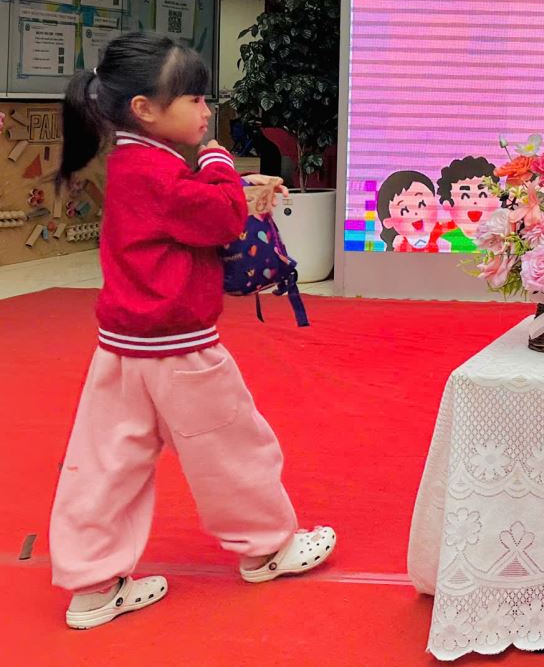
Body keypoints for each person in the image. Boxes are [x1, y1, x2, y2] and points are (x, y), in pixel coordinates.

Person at [48, 33, 335, 630]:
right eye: (195, 99)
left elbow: (193, 210)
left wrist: (227, 182)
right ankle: (266, 549)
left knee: (106, 465)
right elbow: (221, 215)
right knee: (233, 450)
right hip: (180, 349)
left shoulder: (134, 164)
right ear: (145, 109)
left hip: (122, 348)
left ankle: (92, 585)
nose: (206, 111)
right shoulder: (161, 170)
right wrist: (222, 163)